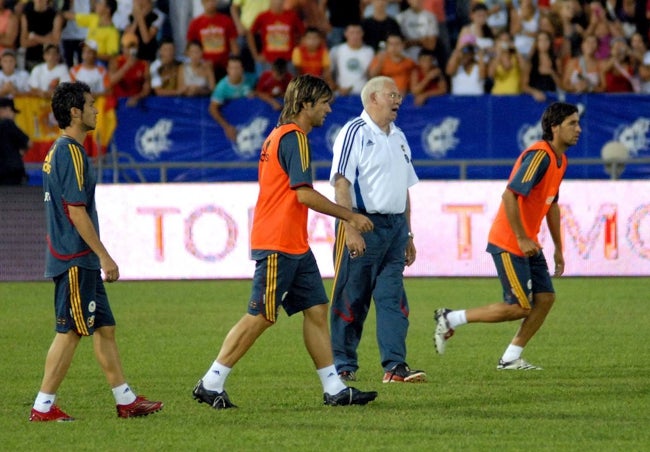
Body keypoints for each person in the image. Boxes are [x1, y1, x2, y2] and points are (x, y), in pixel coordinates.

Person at [192, 74, 379, 409]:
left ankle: (334, 388)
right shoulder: (295, 139)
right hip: (278, 242)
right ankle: (211, 381)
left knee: (317, 310)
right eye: (324, 103)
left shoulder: (278, 136)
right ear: (305, 103)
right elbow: (304, 194)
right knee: (261, 316)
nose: (328, 110)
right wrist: (349, 216)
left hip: (293, 243)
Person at [30, 81, 163, 421]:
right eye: (90, 104)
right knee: (71, 330)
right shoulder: (71, 152)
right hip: (75, 257)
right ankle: (42, 407)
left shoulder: (60, 151)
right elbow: (76, 210)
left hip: (76, 257)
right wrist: (105, 255)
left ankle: (125, 400)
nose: (96, 109)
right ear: (75, 112)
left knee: (104, 327)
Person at [434, 102, 581, 371]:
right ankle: (450, 318)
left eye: (578, 123)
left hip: (528, 243)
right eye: (572, 123)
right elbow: (509, 195)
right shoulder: (540, 155)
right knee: (520, 307)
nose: (578, 129)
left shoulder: (561, 160)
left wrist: (559, 248)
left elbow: (552, 205)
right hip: (509, 241)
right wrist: (522, 237)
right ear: (554, 127)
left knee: (545, 298)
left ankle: (511, 357)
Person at [329, 76, 424, 384]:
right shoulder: (353, 132)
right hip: (361, 223)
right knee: (351, 297)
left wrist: (408, 233)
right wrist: (350, 226)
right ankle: (342, 364)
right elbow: (342, 181)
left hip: (394, 229)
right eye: (391, 95)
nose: (398, 99)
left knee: (392, 299)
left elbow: (404, 188)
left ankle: (395, 367)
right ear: (372, 99)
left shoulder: (399, 136)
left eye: (399, 95)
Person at [186, 0, 239, 81]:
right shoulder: (195, 23)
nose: (210, 4)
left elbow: (234, 46)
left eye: (212, 1)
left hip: (224, 66)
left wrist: (234, 65)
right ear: (202, 3)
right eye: (207, 1)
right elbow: (190, 48)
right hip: (203, 67)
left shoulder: (226, 21)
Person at [208, 55, 256, 141]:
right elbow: (212, 108)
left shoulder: (251, 79)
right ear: (228, 69)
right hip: (230, 122)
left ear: (242, 69)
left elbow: (259, 93)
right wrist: (226, 127)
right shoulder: (222, 87)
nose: (234, 71)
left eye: (237, 68)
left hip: (248, 120)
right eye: (232, 68)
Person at [330, 23, 374, 96]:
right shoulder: (336, 51)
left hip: (363, 95)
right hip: (341, 94)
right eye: (352, 32)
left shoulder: (369, 51)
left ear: (362, 34)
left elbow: (372, 75)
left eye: (358, 32)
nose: (355, 36)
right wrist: (337, 88)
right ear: (345, 34)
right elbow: (329, 74)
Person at [108, 32, 151, 107]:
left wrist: (137, 97)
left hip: (136, 101)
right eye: (128, 47)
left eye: (133, 47)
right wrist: (127, 66)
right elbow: (110, 81)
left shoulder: (144, 64)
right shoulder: (116, 61)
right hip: (119, 101)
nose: (131, 50)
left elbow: (147, 88)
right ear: (123, 48)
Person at [19, 0, 63, 71]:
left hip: (52, 59)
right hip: (32, 58)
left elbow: (56, 41)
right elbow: (23, 42)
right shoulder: (26, 16)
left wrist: (34, 37)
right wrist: (47, 39)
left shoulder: (56, 16)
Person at [0, 97, 30, 185]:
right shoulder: (7, 124)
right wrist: (21, 152)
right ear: (7, 109)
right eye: (13, 112)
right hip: (12, 173)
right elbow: (28, 142)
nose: (14, 116)